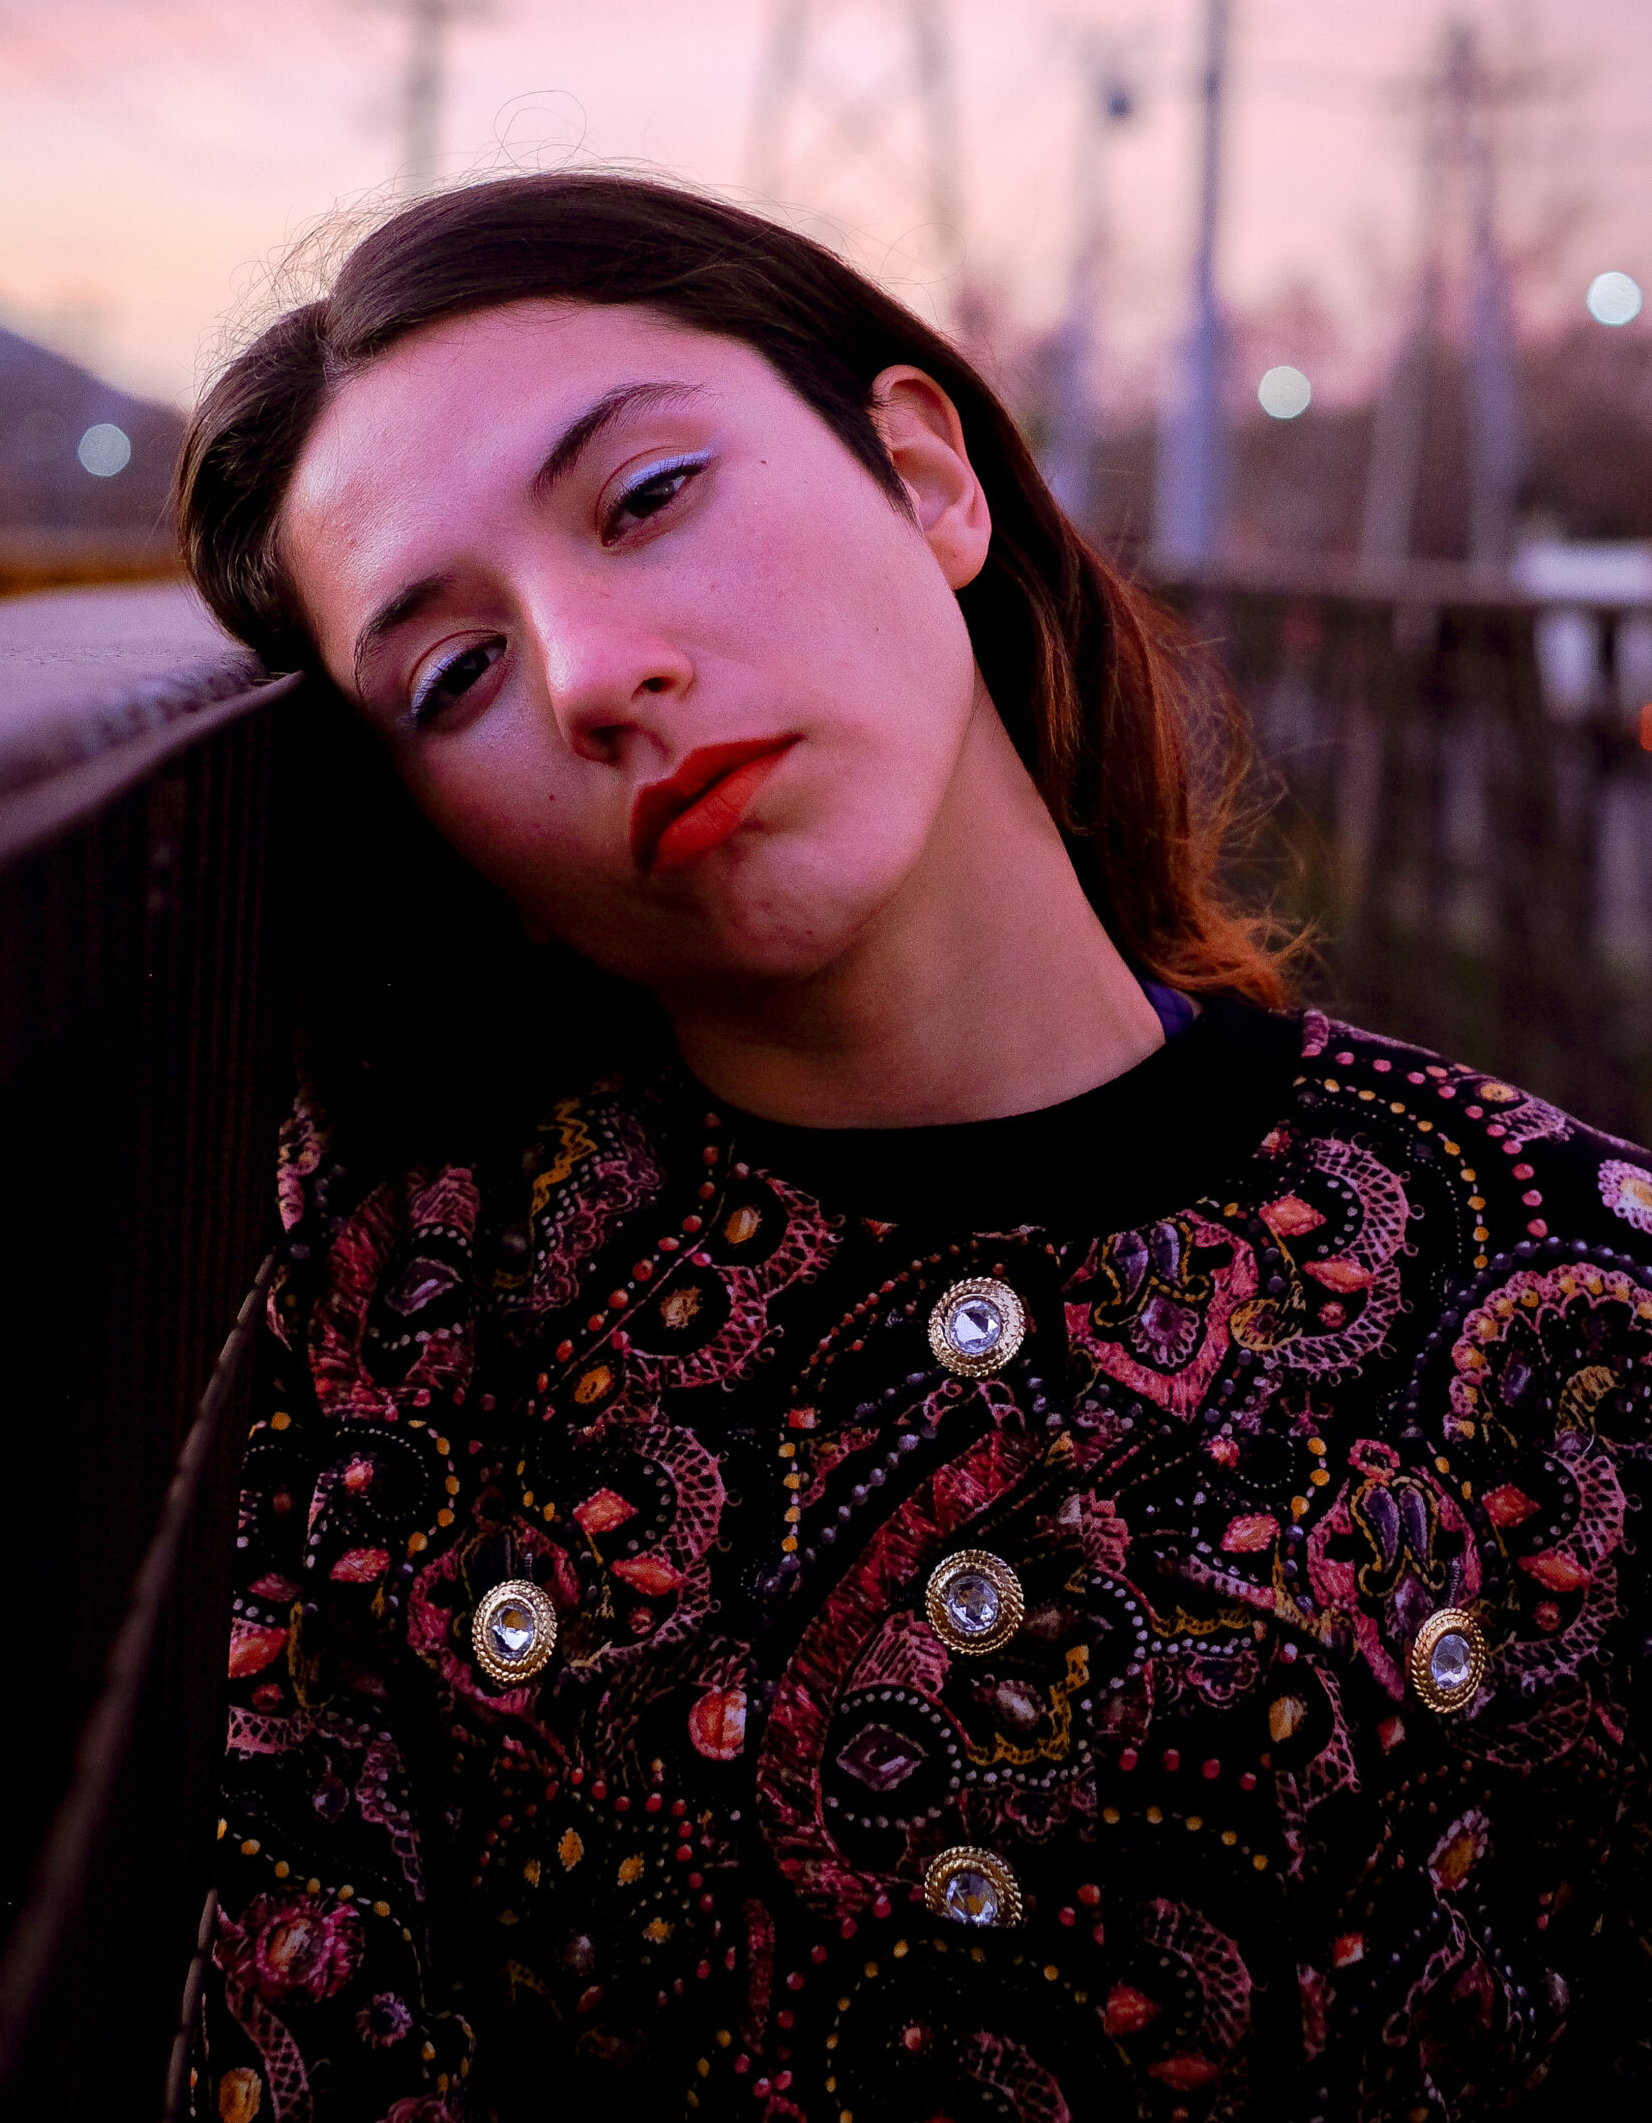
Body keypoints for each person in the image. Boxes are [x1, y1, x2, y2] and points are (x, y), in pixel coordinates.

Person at [177, 173, 1650, 2123]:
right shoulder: (418, 1306)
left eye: (646, 496)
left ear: (926, 478)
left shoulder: (1562, 1287)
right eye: (454, 677)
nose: (593, 673)